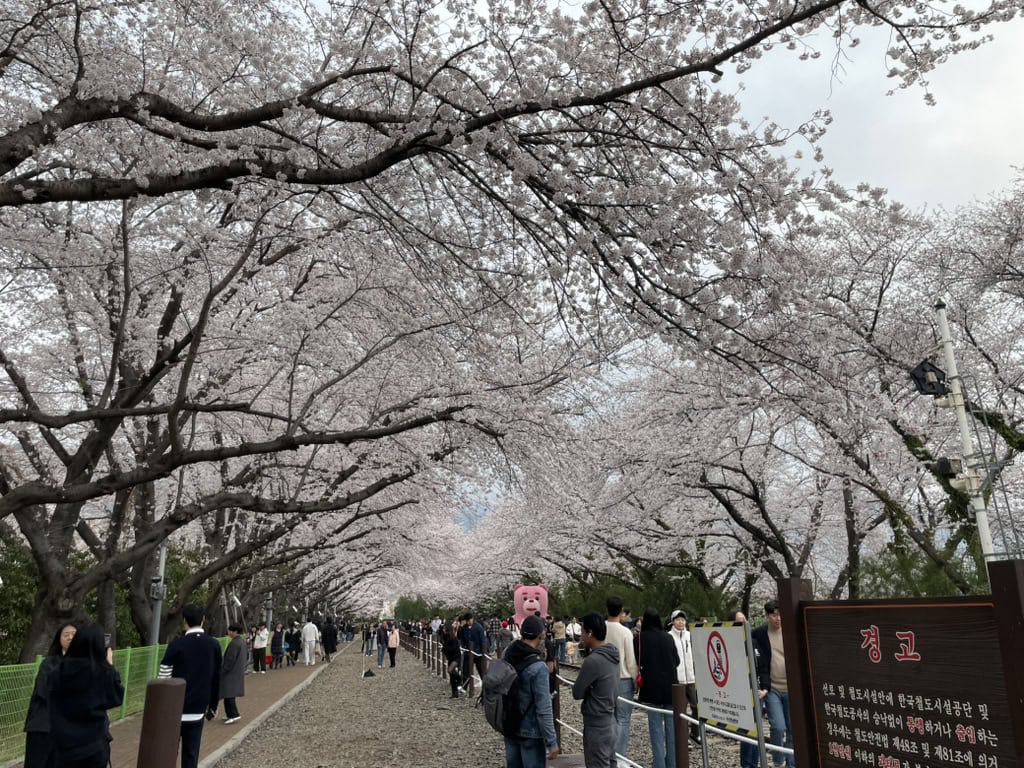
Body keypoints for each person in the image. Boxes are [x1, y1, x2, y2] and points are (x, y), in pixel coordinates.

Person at [49, 623, 124, 768]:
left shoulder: (57, 671)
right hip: (93, 744)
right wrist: (109, 666)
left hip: (64, 745)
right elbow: (116, 698)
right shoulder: (101, 672)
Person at [158, 604, 223, 768]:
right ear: (203, 620)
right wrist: (213, 706)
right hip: (198, 709)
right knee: (191, 754)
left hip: (173, 710)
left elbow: (163, 679)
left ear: (184, 620)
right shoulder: (214, 645)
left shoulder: (176, 645)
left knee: (167, 753)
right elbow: (216, 678)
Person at [502, 614, 559, 768]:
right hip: (530, 729)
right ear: (541, 636)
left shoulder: (508, 652)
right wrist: (551, 740)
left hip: (509, 723)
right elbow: (543, 707)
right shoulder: (538, 667)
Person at [23, 623, 76, 768]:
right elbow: (45, 690)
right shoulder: (49, 663)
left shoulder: (90, 664)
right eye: (66, 635)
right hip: (43, 728)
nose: (70, 637)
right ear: (59, 640)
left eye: (74, 634)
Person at [571, 613, 620, 768]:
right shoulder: (613, 654)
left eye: (583, 631)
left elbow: (577, 692)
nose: (581, 636)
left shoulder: (593, 661)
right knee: (610, 763)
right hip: (610, 720)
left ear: (590, 633)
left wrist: (589, 688)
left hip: (596, 725)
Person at [635, 607, 679, 768]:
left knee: (655, 729)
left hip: (651, 688)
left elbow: (637, 660)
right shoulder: (668, 637)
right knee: (671, 729)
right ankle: (672, 763)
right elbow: (677, 660)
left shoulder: (639, 638)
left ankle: (659, 764)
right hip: (670, 687)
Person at [751, 601, 794, 768]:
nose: (778, 618)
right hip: (772, 688)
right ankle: (778, 760)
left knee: (792, 729)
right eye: (774, 615)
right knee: (778, 726)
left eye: (781, 614)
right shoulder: (759, 634)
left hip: (791, 688)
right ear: (767, 616)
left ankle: (792, 763)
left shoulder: (791, 631)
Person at [605, 595, 638, 761]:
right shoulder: (626, 632)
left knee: (608, 718)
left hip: (604, 679)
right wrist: (635, 679)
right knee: (623, 719)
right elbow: (630, 660)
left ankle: (608, 753)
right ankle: (619, 758)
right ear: (621, 611)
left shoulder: (601, 629)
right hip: (623, 678)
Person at [733, 609, 760, 768]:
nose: (743, 623)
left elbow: (761, 665)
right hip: (740, 692)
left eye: (744, 619)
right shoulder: (730, 644)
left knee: (757, 730)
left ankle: (754, 763)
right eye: (739, 620)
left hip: (756, 690)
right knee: (747, 730)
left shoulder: (754, 641)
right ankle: (746, 764)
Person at [668, 609, 699, 743]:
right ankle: (683, 736)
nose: (680, 622)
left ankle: (695, 732)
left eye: (683, 620)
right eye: (678, 620)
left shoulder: (690, 635)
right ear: (672, 621)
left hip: (691, 677)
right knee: (681, 709)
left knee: (696, 706)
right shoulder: (669, 636)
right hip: (678, 679)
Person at [220, 623, 247, 724]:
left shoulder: (234, 643)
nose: (228, 632)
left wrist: (223, 670)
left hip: (231, 672)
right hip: (237, 671)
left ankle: (233, 714)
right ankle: (230, 714)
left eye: (230, 630)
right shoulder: (241, 642)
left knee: (228, 694)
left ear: (235, 631)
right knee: (229, 694)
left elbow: (230, 660)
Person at [459, 612, 489, 691]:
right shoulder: (463, 628)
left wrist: (484, 652)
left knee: (482, 670)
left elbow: (482, 640)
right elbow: (462, 639)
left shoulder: (478, 627)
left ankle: (486, 687)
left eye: (469, 620)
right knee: (466, 670)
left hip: (478, 652)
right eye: (467, 621)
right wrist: (463, 647)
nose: (469, 622)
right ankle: (464, 687)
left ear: (472, 619)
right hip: (468, 652)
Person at [442, 622, 463, 697]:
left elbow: (453, 648)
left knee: (450, 670)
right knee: (452, 676)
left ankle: (460, 679)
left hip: (456, 657)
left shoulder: (453, 638)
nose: (443, 630)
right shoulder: (445, 637)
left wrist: (444, 648)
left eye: (444, 628)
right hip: (450, 658)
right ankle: (454, 693)